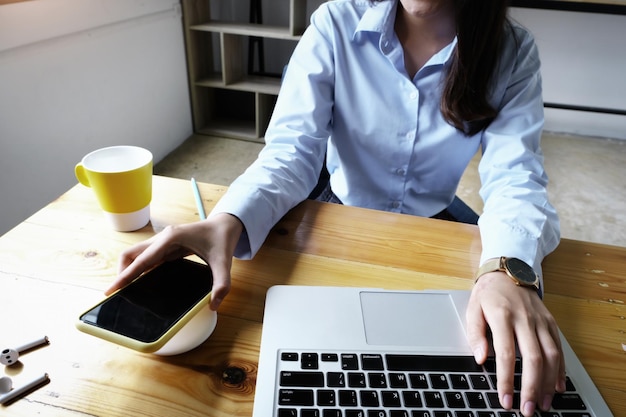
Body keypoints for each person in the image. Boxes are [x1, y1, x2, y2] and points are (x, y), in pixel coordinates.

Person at [106, 0, 565, 415]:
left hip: (435, 219)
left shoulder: (512, 50)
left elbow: (516, 176)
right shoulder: (334, 23)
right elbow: (292, 152)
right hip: (337, 206)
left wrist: (508, 269)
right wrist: (227, 219)